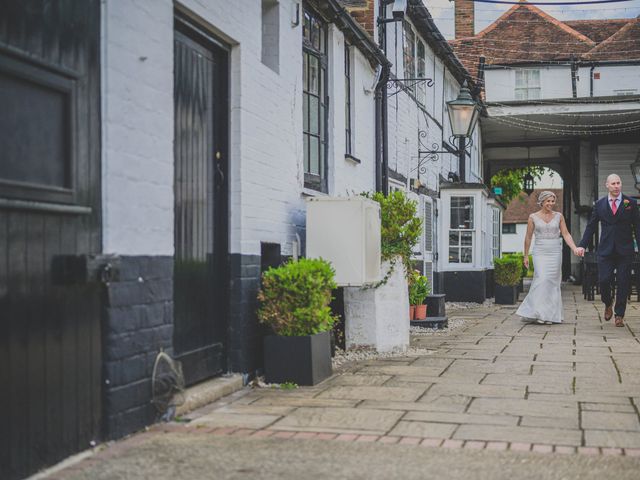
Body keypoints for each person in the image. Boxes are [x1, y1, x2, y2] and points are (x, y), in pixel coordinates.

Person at [576, 174, 640, 327]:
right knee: (604, 280)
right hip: (605, 250)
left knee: (624, 282)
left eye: (618, 183)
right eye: (613, 183)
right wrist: (582, 245)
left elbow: (637, 227)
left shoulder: (630, 203)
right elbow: (591, 226)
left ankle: (619, 315)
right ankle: (607, 302)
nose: (616, 186)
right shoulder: (599, 204)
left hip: (625, 250)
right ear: (607, 185)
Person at [516, 190, 580, 325]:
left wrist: (574, 248)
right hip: (540, 251)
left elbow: (566, 234)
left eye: (553, 201)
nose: (551, 204)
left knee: (552, 282)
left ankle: (550, 315)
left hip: (555, 251)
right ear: (542, 202)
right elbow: (528, 237)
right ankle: (538, 312)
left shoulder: (559, 216)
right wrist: (526, 255)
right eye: (548, 201)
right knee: (542, 278)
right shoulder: (533, 217)